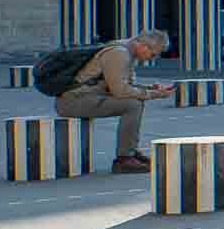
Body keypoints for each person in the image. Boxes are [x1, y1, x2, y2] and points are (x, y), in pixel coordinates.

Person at [56, 31, 174, 174]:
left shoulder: (126, 50)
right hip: (72, 101)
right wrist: (156, 94)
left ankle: (130, 152)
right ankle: (124, 159)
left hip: (85, 97)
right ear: (144, 46)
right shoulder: (119, 53)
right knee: (132, 105)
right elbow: (120, 91)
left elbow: (124, 86)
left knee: (135, 102)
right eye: (153, 54)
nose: (152, 58)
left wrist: (151, 89)